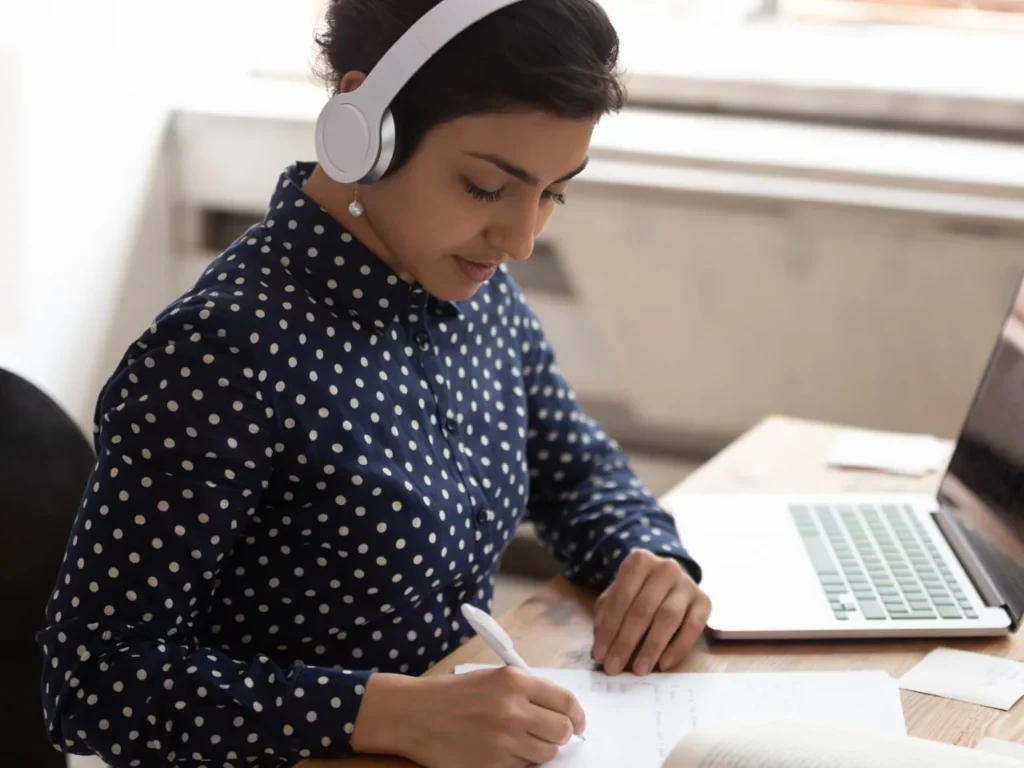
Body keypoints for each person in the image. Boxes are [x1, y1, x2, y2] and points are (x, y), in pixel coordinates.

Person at [37, 1, 711, 766]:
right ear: (367, 127)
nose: (522, 239)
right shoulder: (218, 355)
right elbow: (91, 681)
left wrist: (645, 557)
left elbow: (576, 467)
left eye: (554, 193)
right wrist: (383, 712)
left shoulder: (479, 295)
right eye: (487, 187)